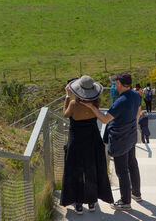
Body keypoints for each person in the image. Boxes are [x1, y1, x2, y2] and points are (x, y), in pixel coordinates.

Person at [81, 71, 141, 212]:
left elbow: (105, 119)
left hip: (120, 139)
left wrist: (91, 107)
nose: (114, 85)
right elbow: (138, 111)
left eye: (115, 83)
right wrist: (131, 124)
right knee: (132, 163)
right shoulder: (136, 95)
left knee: (122, 170)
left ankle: (125, 202)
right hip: (131, 135)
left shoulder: (121, 101)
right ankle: (136, 193)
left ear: (119, 84)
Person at [60, 75, 113, 215]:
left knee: (76, 170)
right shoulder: (97, 102)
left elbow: (65, 115)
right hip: (92, 138)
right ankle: (91, 202)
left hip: (77, 139)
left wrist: (67, 96)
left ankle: (78, 204)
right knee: (91, 169)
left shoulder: (73, 104)